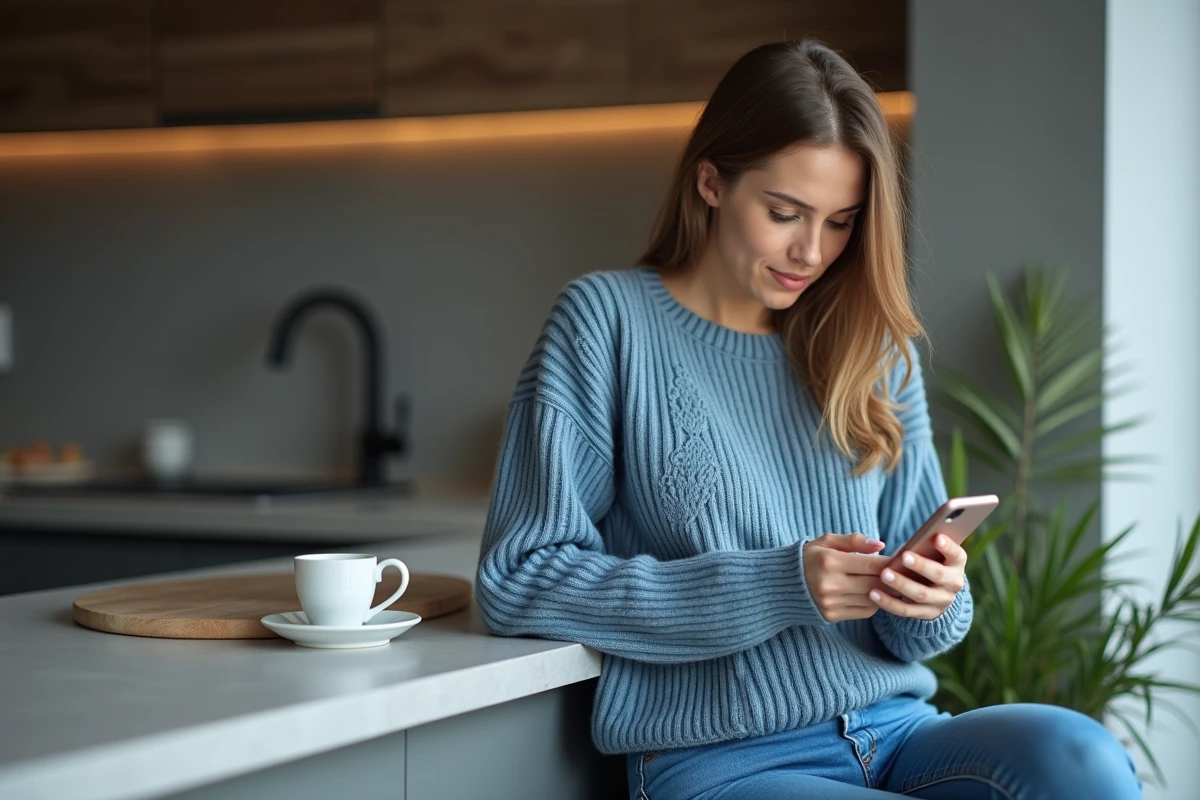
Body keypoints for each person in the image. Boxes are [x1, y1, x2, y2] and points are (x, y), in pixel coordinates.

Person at [475, 39, 1142, 800]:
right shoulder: (606, 324)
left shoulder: (875, 344)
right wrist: (779, 583)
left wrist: (934, 595)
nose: (811, 252)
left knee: (1081, 759)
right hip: (721, 759)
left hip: (895, 731)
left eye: (840, 222)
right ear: (711, 181)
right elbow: (520, 579)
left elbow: (914, 629)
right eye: (784, 213)